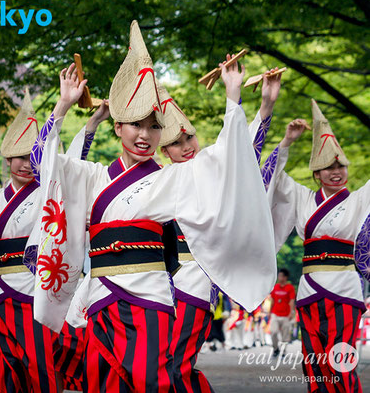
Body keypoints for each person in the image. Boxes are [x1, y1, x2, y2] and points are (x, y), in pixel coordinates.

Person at [32, 20, 276, 392]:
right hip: (101, 298)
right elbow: (43, 164)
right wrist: (63, 105)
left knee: (152, 382)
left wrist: (233, 96)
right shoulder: (93, 175)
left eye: (153, 126)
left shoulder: (172, 177)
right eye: (135, 125)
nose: (144, 135)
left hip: (149, 299)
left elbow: (228, 162)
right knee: (101, 383)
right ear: (117, 127)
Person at [0, 83, 106, 393]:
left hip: (36, 293)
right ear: (7, 159)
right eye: (17, 157)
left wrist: (89, 122)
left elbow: (73, 161)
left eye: (29, 156)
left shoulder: (50, 190)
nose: (24, 163)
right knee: (8, 370)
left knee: (41, 367)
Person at [158, 67, 282, 392]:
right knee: (160, 366)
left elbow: (239, 148)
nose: (186, 146)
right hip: (158, 285)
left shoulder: (210, 164)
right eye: (176, 142)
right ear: (163, 151)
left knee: (175, 365)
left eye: (190, 137)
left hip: (198, 280)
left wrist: (252, 100)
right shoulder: (157, 177)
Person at [263, 100, 370, 392]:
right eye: (327, 167)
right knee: (313, 362)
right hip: (309, 289)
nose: (335, 171)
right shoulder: (302, 198)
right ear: (316, 174)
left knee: (340, 359)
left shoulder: (361, 199)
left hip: (345, 289)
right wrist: (286, 141)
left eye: (340, 165)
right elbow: (271, 178)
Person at [269, 268, 295, 357]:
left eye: (281, 276)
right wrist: (269, 312)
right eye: (279, 276)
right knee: (273, 332)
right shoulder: (275, 287)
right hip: (275, 313)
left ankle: (283, 350)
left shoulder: (290, 288)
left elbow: (291, 301)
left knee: (285, 334)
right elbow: (272, 300)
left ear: (286, 277)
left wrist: (291, 313)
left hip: (286, 315)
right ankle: (275, 348)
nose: (279, 278)